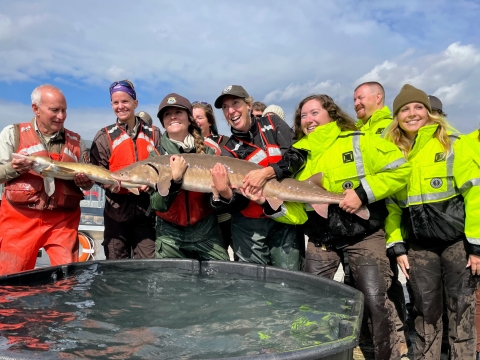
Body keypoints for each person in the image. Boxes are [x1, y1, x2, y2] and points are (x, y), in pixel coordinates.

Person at [241, 94, 411, 359]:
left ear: (331, 114)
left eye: (314, 113)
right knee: (311, 301)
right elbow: (297, 216)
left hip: (363, 236)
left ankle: (385, 354)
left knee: (375, 300)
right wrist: (269, 204)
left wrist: (363, 194)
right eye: (303, 116)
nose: (308, 120)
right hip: (322, 241)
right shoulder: (298, 156)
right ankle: (316, 353)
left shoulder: (359, 140)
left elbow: (401, 169)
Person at [384, 84, 480, 359]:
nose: (412, 113)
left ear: (429, 112)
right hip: (418, 247)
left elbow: (475, 193)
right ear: (397, 117)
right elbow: (391, 206)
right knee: (425, 312)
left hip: (457, 244)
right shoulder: (392, 152)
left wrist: (475, 246)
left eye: (418, 107)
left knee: (461, 309)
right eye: (405, 109)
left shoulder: (453, 143)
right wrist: (397, 245)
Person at [0, 84, 93, 275]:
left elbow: (89, 181)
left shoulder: (77, 141)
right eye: (54, 110)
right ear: (35, 109)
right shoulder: (12, 133)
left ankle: (61, 305)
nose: (61, 116)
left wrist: (86, 182)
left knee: (66, 281)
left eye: (64, 110)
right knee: (11, 280)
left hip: (63, 221)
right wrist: (13, 169)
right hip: (20, 219)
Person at [210, 85, 302, 270]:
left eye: (235, 103)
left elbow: (298, 155)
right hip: (248, 226)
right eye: (225, 108)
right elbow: (237, 205)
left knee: (289, 281)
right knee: (253, 286)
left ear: (249, 105)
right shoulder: (227, 151)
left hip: (284, 217)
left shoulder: (272, 123)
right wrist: (225, 194)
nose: (231, 111)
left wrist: (268, 172)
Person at [354, 81, 410, 354]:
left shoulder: (388, 127)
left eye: (361, 98)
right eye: (354, 100)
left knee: (385, 282)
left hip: (389, 213)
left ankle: (398, 339)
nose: (356, 104)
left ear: (379, 97)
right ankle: (373, 335)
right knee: (374, 280)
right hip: (367, 216)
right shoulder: (358, 130)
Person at [150, 93, 229, 261]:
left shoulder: (210, 151)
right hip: (170, 238)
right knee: (172, 286)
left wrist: (218, 196)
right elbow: (157, 204)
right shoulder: (155, 155)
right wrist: (174, 181)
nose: (172, 117)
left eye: (178, 112)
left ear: (189, 117)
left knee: (220, 283)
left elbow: (221, 206)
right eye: (166, 114)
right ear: (163, 122)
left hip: (207, 232)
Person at [90, 80, 161, 260]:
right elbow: (97, 172)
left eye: (125, 101)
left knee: (148, 266)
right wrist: (110, 185)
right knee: (116, 270)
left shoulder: (155, 133)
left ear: (135, 103)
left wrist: (152, 185)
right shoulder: (103, 136)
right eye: (116, 102)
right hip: (116, 215)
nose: (120, 106)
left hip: (147, 214)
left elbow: (163, 167)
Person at [192, 100, 233, 257]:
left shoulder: (224, 142)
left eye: (200, 117)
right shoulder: (185, 146)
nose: (196, 121)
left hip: (224, 216)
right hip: (199, 219)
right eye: (192, 117)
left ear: (210, 121)